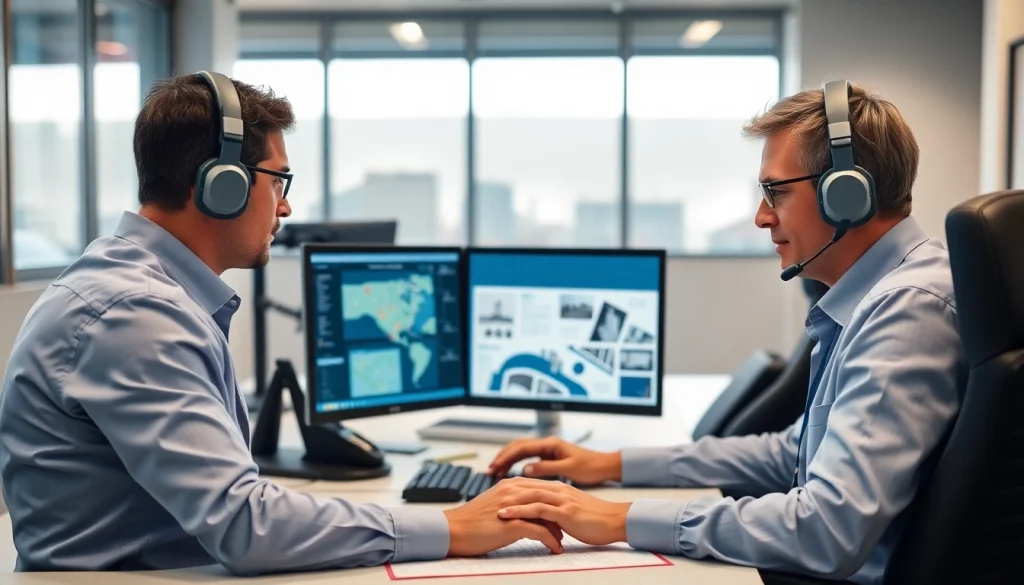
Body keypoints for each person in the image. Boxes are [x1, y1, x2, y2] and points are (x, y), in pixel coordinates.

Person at [0, 72, 563, 573]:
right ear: (223, 185)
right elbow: (246, 527)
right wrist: (452, 527)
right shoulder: (136, 313)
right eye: (279, 181)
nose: (286, 208)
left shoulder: (141, 289)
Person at [486, 81, 965, 584]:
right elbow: (787, 453)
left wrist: (617, 518)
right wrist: (609, 463)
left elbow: (828, 529)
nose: (762, 217)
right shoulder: (880, 297)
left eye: (775, 192)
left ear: (847, 195)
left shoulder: (907, 311)